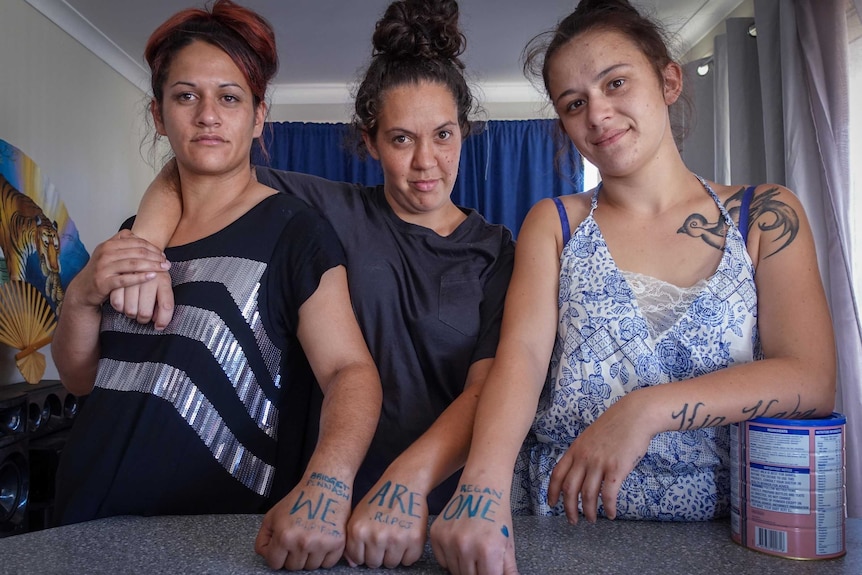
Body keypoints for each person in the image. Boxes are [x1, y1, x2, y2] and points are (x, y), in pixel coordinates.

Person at [430, 0, 837, 573]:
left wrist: (643, 411)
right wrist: (482, 489)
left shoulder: (765, 214)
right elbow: (519, 358)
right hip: (560, 529)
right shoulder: (555, 222)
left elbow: (813, 378)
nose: (597, 114)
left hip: (734, 540)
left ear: (669, 79)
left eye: (615, 82)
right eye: (575, 104)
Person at [117, 0, 516, 569]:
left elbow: (492, 389)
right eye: (401, 139)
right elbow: (197, 170)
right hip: (323, 507)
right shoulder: (328, 211)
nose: (426, 161)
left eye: (443, 135)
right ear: (370, 140)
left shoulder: (498, 251)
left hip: (447, 512)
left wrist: (405, 486)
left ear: (464, 133)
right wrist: (147, 250)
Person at [50, 1, 382, 571]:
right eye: (186, 96)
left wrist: (328, 484)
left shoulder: (295, 232)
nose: (207, 115)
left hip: (211, 540)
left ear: (257, 117)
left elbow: (349, 372)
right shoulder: (137, 235)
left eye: (229, 97)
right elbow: (83, 379)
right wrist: (81, 295)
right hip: (83, 522)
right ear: (159, 115)